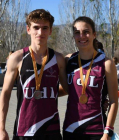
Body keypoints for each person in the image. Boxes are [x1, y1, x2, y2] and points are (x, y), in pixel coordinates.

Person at [0, 9, 68, 140]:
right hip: (24, 130)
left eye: (44, 28)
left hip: (51, 130)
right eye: (36, 27)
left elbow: (68, 89)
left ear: (50, 31)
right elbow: (6, 94)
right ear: (28, 29)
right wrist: (1, 128)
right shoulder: (17, 58)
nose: (40, 32)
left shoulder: (58, 59)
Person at [63, 16, 118, 140]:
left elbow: (114, 100)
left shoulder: (106, 63)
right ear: (73, 36)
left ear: (94, 34)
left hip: (97, 130)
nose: (81, 36)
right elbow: (65, 89)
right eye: (77, 33)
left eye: (86, 32)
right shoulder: (68, 60)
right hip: (70, 128)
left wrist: (108, 132)